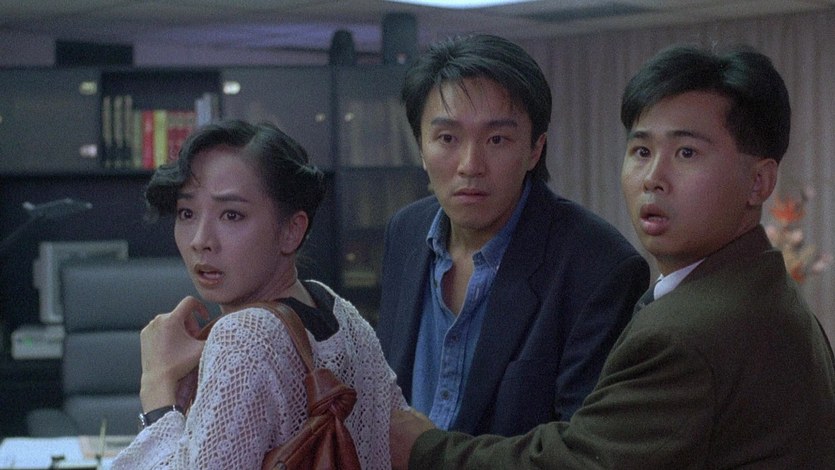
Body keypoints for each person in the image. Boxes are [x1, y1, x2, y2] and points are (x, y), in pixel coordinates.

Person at [389, 44, 835, 469]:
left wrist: (425, 451)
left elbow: (582, 459)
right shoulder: (755, 287)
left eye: (686, 152)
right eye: (641, 151)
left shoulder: (687, 331)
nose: (653, 178)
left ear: (759, 182)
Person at [376, 33, 650, 437]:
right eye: (447, 138)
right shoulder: (406, 231)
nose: (470, 165)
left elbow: (582, 448)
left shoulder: (599, 266)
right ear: (421, 146)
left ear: (535, 149)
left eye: (497, 139)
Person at [111, 120, 406, 469]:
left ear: (291, 231)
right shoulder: (340, 312)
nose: (200, 240)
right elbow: (399, 435)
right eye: (187, 213)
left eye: (231, 215)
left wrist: (158, 390)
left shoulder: (242, 336)